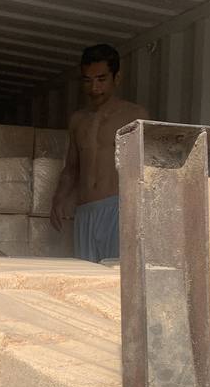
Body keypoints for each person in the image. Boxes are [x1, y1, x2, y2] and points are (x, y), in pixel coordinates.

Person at [50, 44, 148, 262]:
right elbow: (72, 168)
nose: (94, 88)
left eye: (101, 79)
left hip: (117, 209)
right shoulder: (78, 120)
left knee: (115, 275)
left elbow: (145, 169)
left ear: (117, 78)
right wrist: (58, 199)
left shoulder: (134, 116)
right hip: (84, 211)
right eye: (88, 80)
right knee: (86, 276)